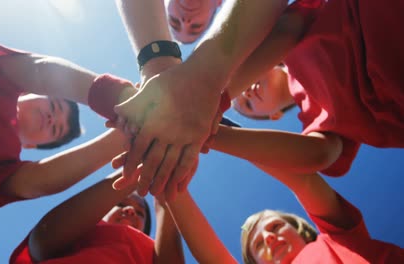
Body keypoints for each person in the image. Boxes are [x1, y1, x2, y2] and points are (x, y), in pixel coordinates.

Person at [112, 0, 403, 197]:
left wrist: (216, 98)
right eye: (249, 106)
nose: (247, 94)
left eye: (242, 95)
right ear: (274, 116)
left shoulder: (294, 40)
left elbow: (285, 30)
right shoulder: (317, 118)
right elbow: (321, 154)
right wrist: (208, 134)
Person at [0, 43, 138, 211]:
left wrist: (126, 135)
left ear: (33, 147)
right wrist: (121, 98)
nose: (52, 118)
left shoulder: (0, 168)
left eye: (55, 130)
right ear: (28, 93)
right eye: (53, 105)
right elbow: (40, 70)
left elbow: (41, 180)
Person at [163, 124, 404, 263]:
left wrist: (208, 127)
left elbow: (304, 181)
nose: (268, 237)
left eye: (276, 226)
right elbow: (212, 256)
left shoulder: (338, 236)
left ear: (300, 230)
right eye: (257, 244)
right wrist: (168, 179)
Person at [10, 169, 184, 264]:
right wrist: (135, 173)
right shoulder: (83, 228)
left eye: (140, 213)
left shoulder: (153, 249)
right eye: (121, 204)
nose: (131, 210)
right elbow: (42, 241)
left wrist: (165, 199)